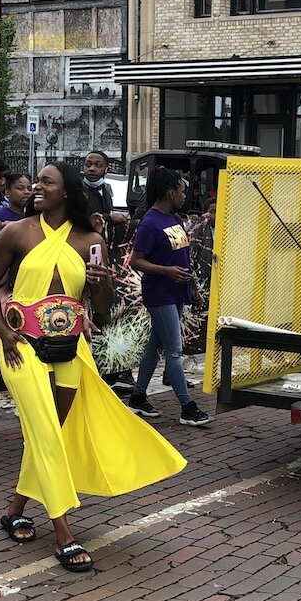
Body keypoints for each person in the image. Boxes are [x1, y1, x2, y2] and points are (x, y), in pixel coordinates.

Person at [0, 161, 186, 572]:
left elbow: (104, 312)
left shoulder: (90, 240)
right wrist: (3, 332)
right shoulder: (16, 232)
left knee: (49, 434)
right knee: (45, 433)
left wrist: (100, 281)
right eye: (36, 180)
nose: (37, 187)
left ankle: (15, 511)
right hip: (22, 347)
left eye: (46, 182)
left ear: (68, 192)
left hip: (71, 349)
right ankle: (64, 534)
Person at [126, 167, 212, 426]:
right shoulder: (150, 223)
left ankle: (138, 396)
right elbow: (136, 262)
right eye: (182, 190)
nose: (185, 195)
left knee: (156, 346)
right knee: (174, 352)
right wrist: (166, 271)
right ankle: (187, 406)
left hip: (175, 292)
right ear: (170, 191)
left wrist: (192, 288)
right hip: (160, 294)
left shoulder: (172, 218)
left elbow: (182, 258)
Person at [83, 151, 128, 226]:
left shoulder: (106, 191)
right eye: (88, 165)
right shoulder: (77, 191)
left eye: (98, 165)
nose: (92, 168)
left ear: (106, 169)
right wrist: (109, 218)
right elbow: (81, 218)